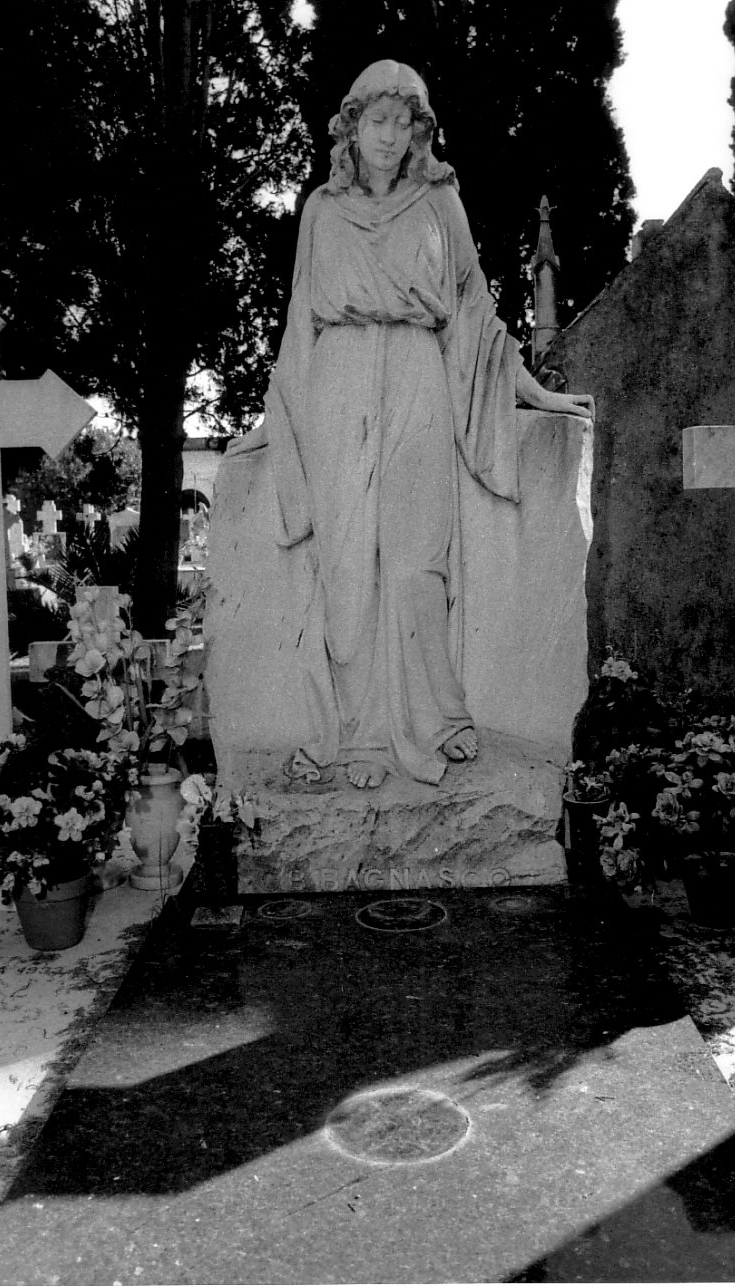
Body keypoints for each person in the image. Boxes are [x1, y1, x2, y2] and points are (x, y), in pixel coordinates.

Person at [231, 60, 594, 790]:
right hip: (336, 382)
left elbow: (474, 315)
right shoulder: (321, 212)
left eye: (405, 121)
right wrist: (277, 418)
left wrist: (535, 391)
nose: (391, 136)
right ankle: (356, 735)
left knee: (416, 558)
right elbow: (300, 318)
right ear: (351, 127)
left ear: (420, 130)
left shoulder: (439, 205)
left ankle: (433, 718)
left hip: (418, 381)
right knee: (347, 562)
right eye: (377, 120)